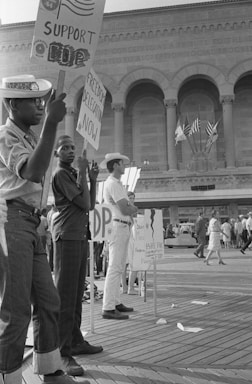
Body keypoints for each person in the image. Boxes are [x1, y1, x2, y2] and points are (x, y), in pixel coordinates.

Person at [0, 74, 90, 384]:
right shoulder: (5, 136)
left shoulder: (28, 137)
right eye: (33, 102)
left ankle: (50, 368)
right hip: (11, 222)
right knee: (15, 310)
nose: (40, 106)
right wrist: (52, 123)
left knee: (49, 301)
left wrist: (48, 123)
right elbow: (33, 170)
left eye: (42, 101)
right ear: (12, 104)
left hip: (32, 224)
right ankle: (8, 376)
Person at [51, 135, 103, 377]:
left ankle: (75, 340)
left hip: (79, 236)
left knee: (76, 292)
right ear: (56, 154)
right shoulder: (61, 174)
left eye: (72, 147)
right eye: (64, 148)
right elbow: (82, 204)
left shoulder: (73, 174)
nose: (70, 151)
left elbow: (91, 204)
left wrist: (92, 180)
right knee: (65, 294)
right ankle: (63, 352)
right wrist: (83, 173)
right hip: (67, 237)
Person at [100, 153, 138, 320]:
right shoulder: (113, 184)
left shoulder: (116, 184)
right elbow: (125, 208)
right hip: (118, 225)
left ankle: (114, 302)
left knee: (119, 266)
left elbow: (126, 205)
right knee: (115, 267)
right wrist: (132, 207)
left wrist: (130, 206)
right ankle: (108, 306)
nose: (124, 166)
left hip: (121, 225)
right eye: (122, 163)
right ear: (115, 165)